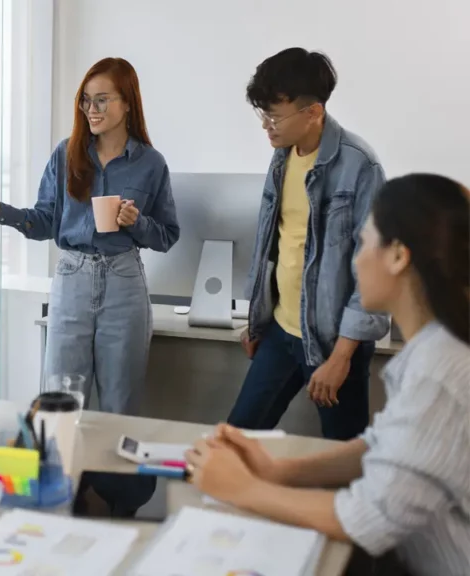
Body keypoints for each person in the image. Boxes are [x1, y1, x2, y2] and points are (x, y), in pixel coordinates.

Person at [188, 174, 470, 575]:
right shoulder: (432, 350)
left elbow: (368, 516)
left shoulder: (440, 371)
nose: (356, 259)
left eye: (365, 243)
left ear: (397, 256)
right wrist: (278, 470)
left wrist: (244, 488)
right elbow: (381, 445)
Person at [0, 57, 179, 416]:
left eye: (102, 99)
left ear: (128, 102)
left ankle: (111, 474)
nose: (91, 109)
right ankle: (61, 473)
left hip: (124, 282)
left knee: (120, 404)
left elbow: (167, 236)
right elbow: (44, 222)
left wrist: (136, 222)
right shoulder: (66, 153)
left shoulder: (151, 163)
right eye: (86, 99)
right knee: (59, 402)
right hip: (72, 279)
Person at [228, 48, 389, 440]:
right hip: (281, 334)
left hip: (335, 344)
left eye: (274, 116)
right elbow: (272, 243)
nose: (266, 126)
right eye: (262, 115)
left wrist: (341, 358)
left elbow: (371, 274)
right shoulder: (281, 157)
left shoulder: (360, 166)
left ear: (313, 112)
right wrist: (257, 319)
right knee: (235, 440)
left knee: (342, 460)